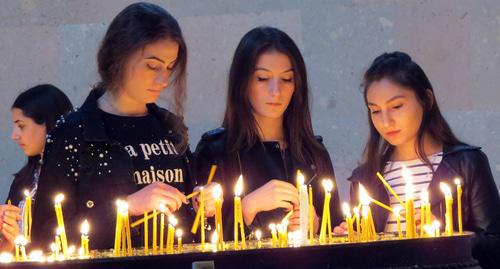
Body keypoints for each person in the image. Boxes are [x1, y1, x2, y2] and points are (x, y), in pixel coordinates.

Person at [31, 2, 194, 249]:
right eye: (152, 65)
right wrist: (125, 208)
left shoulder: (171, 128)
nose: (163, 79)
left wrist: (206, 207)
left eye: (170, 67)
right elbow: (46, 235)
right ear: (118, 56)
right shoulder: (73, 133)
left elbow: (193, 220)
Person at [335, 51, 500, 268]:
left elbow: (495, 246)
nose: (386, 121)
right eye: (375, 111)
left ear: (426, 100)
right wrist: (348, 242)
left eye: (396, 106)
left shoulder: (467, 163)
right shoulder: (366, 178)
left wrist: (447, 236)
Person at [194, 26, 342, 238]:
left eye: (286, 79)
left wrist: (317, 225)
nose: (276, 91)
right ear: (242, 83)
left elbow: (338, 232)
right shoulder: (216, 152)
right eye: (263, 78)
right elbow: (199, 245)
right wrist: (248, 207)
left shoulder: (313, 153)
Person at [2, 84, 73, 251]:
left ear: (48, 124)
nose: (14, 135)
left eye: (21, 125)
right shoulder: (24, 179)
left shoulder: (74, 179)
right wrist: (7, 236)